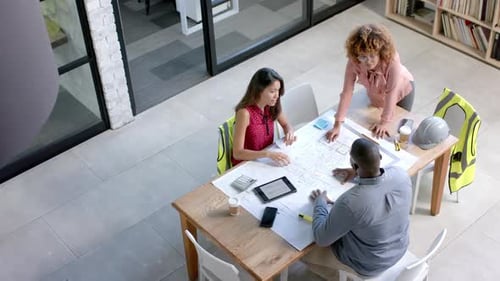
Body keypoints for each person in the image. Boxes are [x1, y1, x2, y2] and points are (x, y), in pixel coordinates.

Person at [302, 138, 412, 280]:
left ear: (354, 164)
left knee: (306, 253)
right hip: (399, 248)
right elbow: (378, 181)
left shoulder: (349, 202)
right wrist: (358, 173)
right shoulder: (401, 174)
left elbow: (322, 239)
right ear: (380, 157)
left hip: (370, 265)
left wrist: (320, 203)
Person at [326, 23, 415, 141]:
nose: (368, 61)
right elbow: (347, 92)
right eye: (363, 57)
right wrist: (337, 124)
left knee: (397, 131)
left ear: (380, 52)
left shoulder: (392, 61)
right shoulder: (353, 61)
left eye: (372, 55)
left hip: (402, 90)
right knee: (372, 130)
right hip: (378, 93)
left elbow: (391, 93)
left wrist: (384, 122)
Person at [232, 67, 296, 167]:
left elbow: (286, 124)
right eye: (272, 91)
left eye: (278, 90)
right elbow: (237, 153)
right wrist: (267, 154)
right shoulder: (244, 114)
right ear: (259, 91)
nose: (277, 96)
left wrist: (289, 132)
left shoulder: (271, 105)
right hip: (246, 165)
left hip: (264, 161)